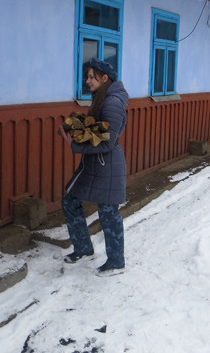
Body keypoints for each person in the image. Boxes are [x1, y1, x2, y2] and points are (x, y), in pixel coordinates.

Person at [59, 58, 129, 275]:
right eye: (87, 76)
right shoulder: (101, 98)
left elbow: (107, 142)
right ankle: (83, 249)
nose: (87, 81)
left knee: (108, 213)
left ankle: (116, 262)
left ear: (105, 78)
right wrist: (77, 128)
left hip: (107, 165)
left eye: (92, 77)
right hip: (94, 164)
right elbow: (97, 131)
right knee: (70, 201)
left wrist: (74, 144)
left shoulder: (112, 103)